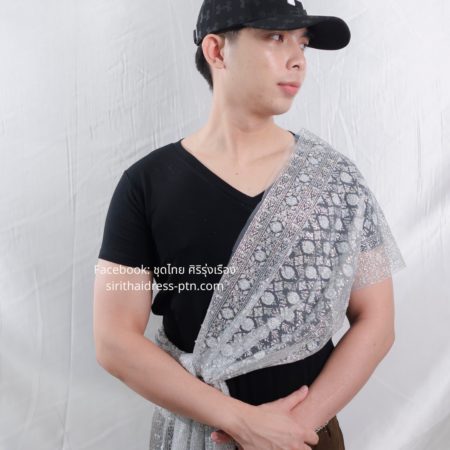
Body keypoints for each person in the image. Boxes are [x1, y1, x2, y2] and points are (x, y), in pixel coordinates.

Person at [93, 2, 406, 450]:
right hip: (199, 434)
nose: (298, 59)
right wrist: (241, 422)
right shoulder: (147, 184)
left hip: (307, 438)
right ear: (217, 51)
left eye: (302, 43)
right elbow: (114, 340)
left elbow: (376, 320)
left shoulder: (335, 181)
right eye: (275, 37)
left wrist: (292, 429)